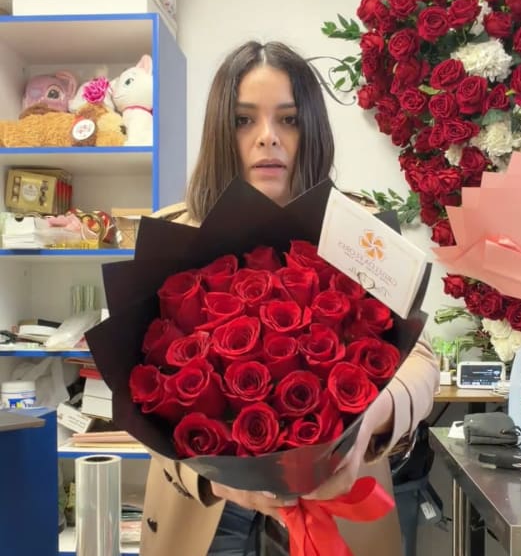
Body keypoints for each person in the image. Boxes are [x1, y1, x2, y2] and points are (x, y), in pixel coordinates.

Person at [142, 40, 440, 556]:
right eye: (243, 120)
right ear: (220, 132)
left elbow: (420, 359)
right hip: (202, 511)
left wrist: (372, 418)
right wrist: (209, 476)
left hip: (338, 495)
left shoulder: (359, 229)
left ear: (312, 130)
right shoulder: (174, 233)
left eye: (288, 120)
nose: (267, 137)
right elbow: (138, 392)